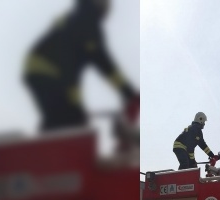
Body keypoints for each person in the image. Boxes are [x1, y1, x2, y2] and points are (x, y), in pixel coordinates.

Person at [23, 0, 139, 133]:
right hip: (46, 70)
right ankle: (47, 147)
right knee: (68, 117)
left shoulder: (79, 18)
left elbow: (79, 69)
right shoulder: (87, 21)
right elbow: (104, 63)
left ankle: (46, 145)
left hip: (42, 69)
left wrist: (77, 107)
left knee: (68, 117)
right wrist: (128, 94)